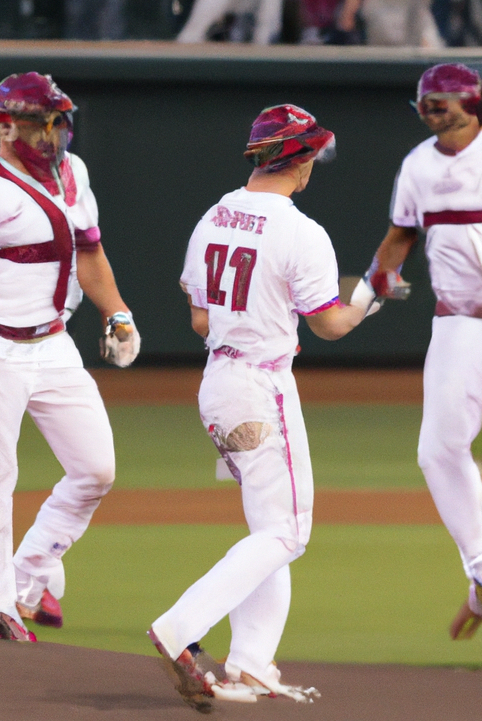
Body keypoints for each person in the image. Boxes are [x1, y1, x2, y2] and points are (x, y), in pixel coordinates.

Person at [149, 104, 379, 710]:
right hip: (261, 386)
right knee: (289, 531)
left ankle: (250, 663)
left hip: (218, 384)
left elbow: (200, 316)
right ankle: (179, 627)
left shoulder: (213, 216)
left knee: (268, 530)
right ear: (299, 163)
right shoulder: (302, 231)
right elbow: (328, 324)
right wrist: (366, 303)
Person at [0, 72, 140, 641]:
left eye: (58, 120)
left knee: (95, 469)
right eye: (41, 122)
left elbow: (90, 252)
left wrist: (116, 312)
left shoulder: (74, 172)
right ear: (5, 125)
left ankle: (30, 570)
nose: (53, 133)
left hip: (53, 344)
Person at [363, 64, 482, 643]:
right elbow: (400, 238)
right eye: (426, 101)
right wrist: (368, 290)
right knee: (438, 450)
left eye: (445, 98)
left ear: (473, 99)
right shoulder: (417, 165)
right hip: (460, 326)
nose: (433, 106)